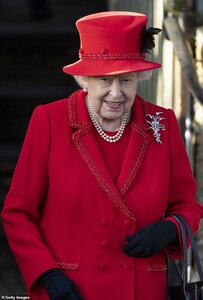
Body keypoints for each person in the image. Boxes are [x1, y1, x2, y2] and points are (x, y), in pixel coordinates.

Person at [1, 11, 203, 300]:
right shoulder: (50, 121)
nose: (116, 93)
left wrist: (170, 229)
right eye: (104, 80)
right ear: (84, 79)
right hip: (71, 291)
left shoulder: (162, 123)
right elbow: (17, 213)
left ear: (140, 78)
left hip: (142, 291)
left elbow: (187, 204)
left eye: (127, 80)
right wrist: (47, 274)